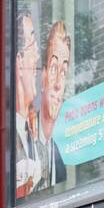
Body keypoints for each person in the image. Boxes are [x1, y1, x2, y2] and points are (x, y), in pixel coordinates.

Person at [36, 20, 71, 190]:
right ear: (42, 77)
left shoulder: (61, 162)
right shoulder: (22, 141)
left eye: (63, 73)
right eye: (53, 69)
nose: (58, 84)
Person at [15, 7, 42, 199]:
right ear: (19, 60)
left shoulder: (38, 134)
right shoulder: (5, 138)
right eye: (32, 46)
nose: (38, 56)